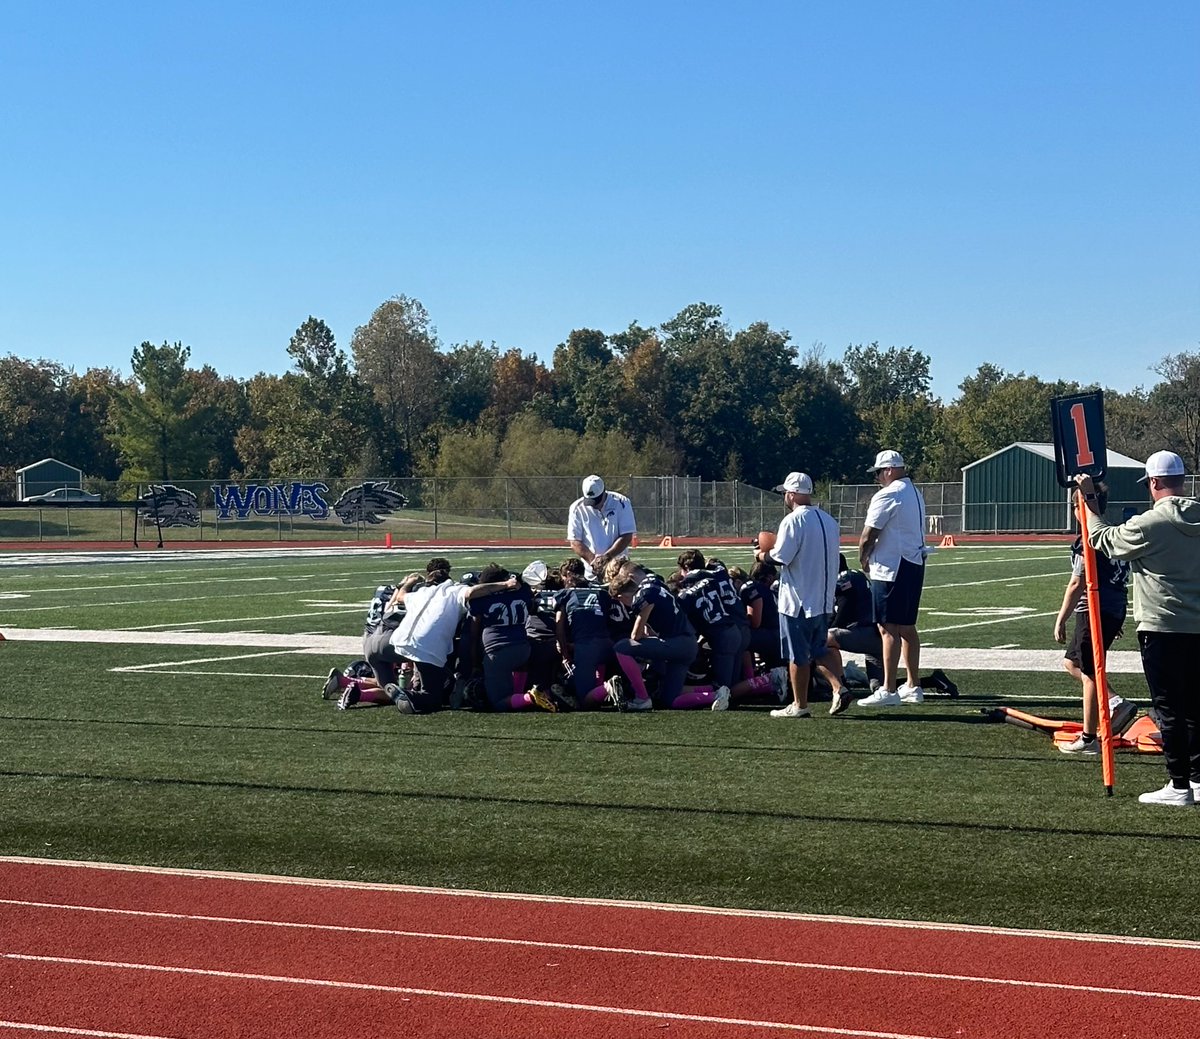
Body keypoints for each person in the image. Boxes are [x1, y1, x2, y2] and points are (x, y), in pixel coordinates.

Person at [1078, 451, 1200, 806]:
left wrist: (1087, 502)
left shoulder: (1151, 523)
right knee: (1194, 707)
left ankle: (1179, 785)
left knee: (1170, 708)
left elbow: (1103, 540)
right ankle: (1196, 777)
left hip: (1162, 626)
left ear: (1154, 483)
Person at [1052, 483, 1137, 754]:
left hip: (1094, 609)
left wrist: (1061, 618)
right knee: (1071, 663)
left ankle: (1090, 737)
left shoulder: (1089, 539)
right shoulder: (1112, 534)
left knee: (1090, 671)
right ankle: (1113, 701)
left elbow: (1077, 584)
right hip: (1113, 607)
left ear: (1082, 507)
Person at [755, 471, 848, 719]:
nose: (785, 496)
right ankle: (839, 686)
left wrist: (762, 554)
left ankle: (800, 704)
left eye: (786, 492)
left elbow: (781, 557)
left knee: (798, 655)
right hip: (823, 597)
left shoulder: (792, 521)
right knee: (818, 650)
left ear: (793, 493)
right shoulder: (829, 520)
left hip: (798, 598)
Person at [388, 558, 520, 714]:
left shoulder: (421, 592)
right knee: (433, 699)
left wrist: (408, 583)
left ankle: (407, 692)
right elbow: (471, 592)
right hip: (427, 646)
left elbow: (400, 597)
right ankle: (407, 694)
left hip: (398, 640)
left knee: (446, 679)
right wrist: (506, 585)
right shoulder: (455, 590)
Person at [856, 450, 928, 708]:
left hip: (891, 568)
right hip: (913, 563)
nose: (877, 478)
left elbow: (869, 534)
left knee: (888, 628)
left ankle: (888, 688)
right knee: (907, 627)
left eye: (877, 473)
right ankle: (912, 684)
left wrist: (863, 559)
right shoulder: (914, 492)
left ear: (887, 470)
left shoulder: (888, 494)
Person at [567, 475, 636, 580]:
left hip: (619, 571)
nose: (594, 505)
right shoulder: (576, 508)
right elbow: (575, 541)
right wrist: (594, 562)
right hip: (591, 572)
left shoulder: (622, 502)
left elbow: (626, 535)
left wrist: (607, 557)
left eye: (597, 500)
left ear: (604, 492)